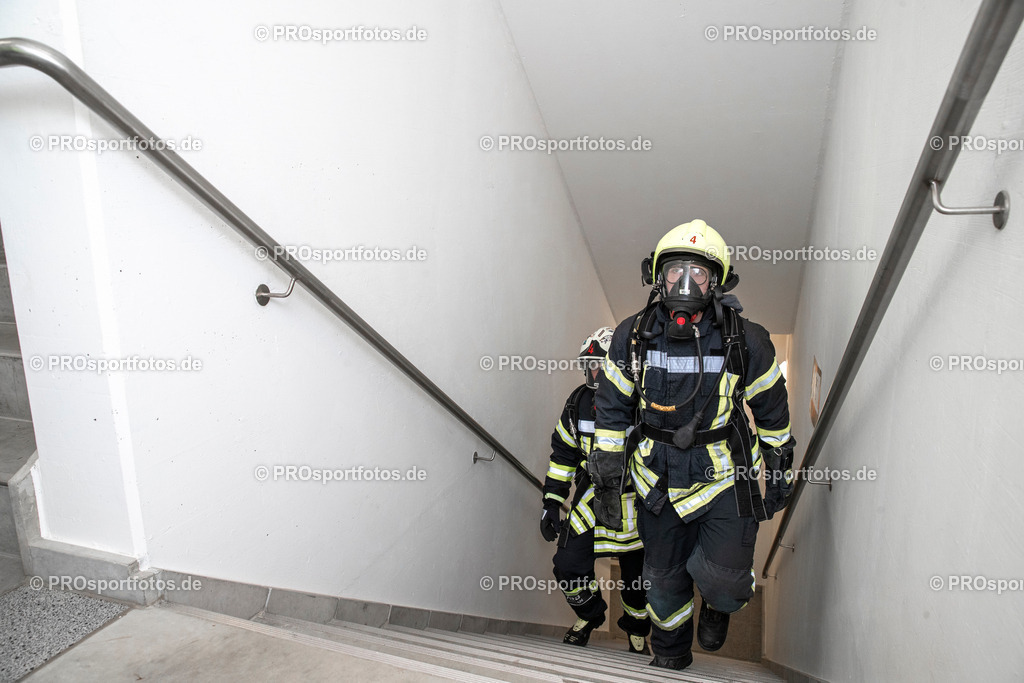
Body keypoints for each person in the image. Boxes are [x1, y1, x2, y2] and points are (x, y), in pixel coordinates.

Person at [587, 220, 796, 670]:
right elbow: (612, 405)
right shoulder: (632, 335)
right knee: (661, 584)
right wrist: (605, 473)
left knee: (724, 579)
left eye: (697, 272)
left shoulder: (749, 341)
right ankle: (671, 653)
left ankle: (718, 605)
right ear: (657, 275)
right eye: (675, 270)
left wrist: (779, 464)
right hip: (656, 478)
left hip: (723, 474)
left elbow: (773, 410)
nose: (685, 282)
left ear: (716, 281)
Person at [540, 327, 651, 654]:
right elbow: (563, 455)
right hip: (592, 496)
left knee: (636, 584)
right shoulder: (577, 402)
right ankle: (589, 615)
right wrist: (551, 502)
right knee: (567, 565)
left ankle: (637, 629)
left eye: (600, 365)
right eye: (589, 365)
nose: (594, 372)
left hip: (637, 499)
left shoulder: (641, 400)